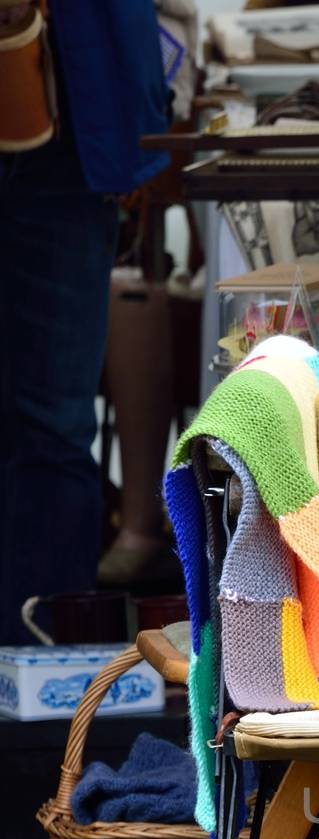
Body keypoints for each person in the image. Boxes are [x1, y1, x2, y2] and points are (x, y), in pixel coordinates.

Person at [0, 1, 169, 643]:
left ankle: (44, 668)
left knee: (55, 423)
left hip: (73, 120)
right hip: (75, 117)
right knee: (54, 425)